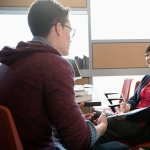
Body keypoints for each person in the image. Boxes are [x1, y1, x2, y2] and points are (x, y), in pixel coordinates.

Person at [0, 0, 128, 150]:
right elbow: (79, 141)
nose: (71, 37)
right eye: (70, 29)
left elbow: (30, 119)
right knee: (120, 147)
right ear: (58, 27)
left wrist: (74, 121)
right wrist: (101, 126)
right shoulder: (55, 65)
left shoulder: (7, 64)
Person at [98, 40, 150, 145]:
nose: (149, 58)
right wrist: (128, 106)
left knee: (103, 125)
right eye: (146, 55)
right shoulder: (147, 77)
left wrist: (128, 116)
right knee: (97, 116)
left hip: (146, 125)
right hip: (132, 120)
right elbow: (134, 98)